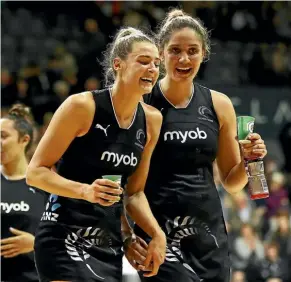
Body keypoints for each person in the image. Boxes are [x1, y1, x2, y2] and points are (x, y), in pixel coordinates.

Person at [125, 9, 268, 282]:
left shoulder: (219, 104)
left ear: (204, 53)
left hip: (209, 236)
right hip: (159, 234)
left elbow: (232, 182)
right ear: (161, 53)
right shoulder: (141, 101)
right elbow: (128, 183)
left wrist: (248, 160)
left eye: (192, 50)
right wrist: (129, 235)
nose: (183, 58)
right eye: (175, 50)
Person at [26, 27, 166, 282]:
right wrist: (85, 191)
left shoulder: (152, 121)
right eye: (143, 61)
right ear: (118, 65)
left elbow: (134, 193)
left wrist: (155, 234)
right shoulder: (81, 106)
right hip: (63, 235)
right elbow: (35, 173)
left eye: (157, 64)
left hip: (108, 244)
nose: (152, 69)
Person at [1, 104, 47, 282]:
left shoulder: (46, 186)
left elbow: (68, 238)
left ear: (24, 140)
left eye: (3, 136)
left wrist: (36, 244)